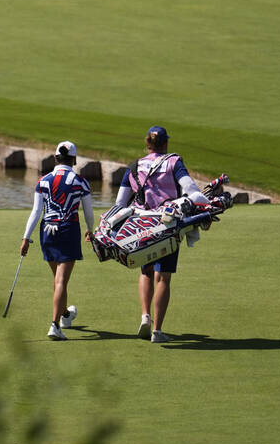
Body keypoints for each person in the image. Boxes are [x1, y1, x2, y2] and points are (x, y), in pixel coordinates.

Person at [107, 125, 211, 344]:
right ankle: (158, 330)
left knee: (145, 271)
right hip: (166, 225)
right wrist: (205, 206)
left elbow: (119, 203)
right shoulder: (174, 162)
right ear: (165, 143)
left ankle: (145, 315)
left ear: (148, 144)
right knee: (163, 276)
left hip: (140, 226)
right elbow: (190, 190)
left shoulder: (134, 166)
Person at [20, 140, 97, 341]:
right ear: (74, 160)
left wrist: (26, 238)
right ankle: (54, 324)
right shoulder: (80, 181)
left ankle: (65, 316)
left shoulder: (43, 181)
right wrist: (90, 230)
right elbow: (88, 212)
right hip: (68, 230)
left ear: (55, 158)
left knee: (58, 280)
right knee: (61, 280)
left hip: (47, 232)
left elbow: (36, 212)